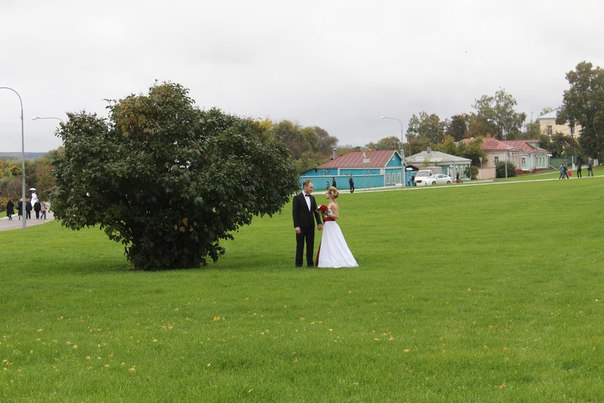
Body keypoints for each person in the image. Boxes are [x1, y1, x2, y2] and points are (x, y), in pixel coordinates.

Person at [316, 187, 358, 268]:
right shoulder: (330, 204)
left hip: (331, 225)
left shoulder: (333, 205)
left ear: (330, 195)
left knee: (334, 242)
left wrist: (326, 213)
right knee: (329, 242)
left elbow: (336, 216)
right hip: (328, 225)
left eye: (327, 193)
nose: (326, 194)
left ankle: (336, 259)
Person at [292, 180, 323, 267]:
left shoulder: (312, 198)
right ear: (305, 187)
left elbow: (315, 212)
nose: (312, 189)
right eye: (310, 187)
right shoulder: (297, 198)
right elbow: (295, 213)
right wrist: (296, 226)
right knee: (300, 245)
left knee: (310, 244)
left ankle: (310, 263)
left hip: (310, 225)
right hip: (301, 226)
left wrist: (319, 222)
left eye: (312, 187)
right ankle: (298, 263)